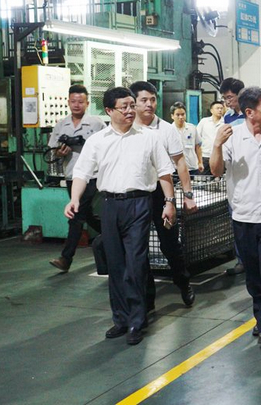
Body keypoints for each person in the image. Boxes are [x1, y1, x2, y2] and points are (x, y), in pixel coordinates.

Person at [65, 86, 176, 346]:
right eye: (123, 107)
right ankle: (121, 319)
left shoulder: (149, 138)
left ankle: (137, 320)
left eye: (131, 105)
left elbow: (164, 172)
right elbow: (82, 172)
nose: (130, 111)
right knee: (115, 265)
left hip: (139, 204)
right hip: (110, 205)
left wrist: (169, 202)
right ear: (109, 111)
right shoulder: (98, 141)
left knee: (135, 263)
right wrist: (74, 198)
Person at [211, 87, 261, 351]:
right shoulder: (232, 136)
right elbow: (216, 170)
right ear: (249, 112)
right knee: (253, 273)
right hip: (244, 214)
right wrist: (216, 144)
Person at [129, 81, 197, 309]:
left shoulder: (166, 130)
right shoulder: (128, 127)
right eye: (144, 100)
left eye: (153, 99)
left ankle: (183, 282)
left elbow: (180, 163)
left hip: (161, 192)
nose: (149, 104)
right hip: (136, 193)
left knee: (169, 245)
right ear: (134, 103)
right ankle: (147, 298)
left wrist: (187, 195)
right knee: (138, 248)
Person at [48, 85, 106, 272]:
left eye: (80, 101)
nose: (76, 105)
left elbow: (107, 148)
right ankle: (113, 236)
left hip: (92, 176)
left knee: (76, 214)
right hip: (72, 175)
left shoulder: (97, 124)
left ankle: (66, 258)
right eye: (73, 101)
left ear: (87, 103)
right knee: (86, 214)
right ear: (68, 102)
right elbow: (53, 150)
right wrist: (60, 152)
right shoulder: (61, 125)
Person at [218, 77, 246, 275]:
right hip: (234, 173)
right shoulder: (227, 117)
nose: (227, 101)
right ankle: (241, 260)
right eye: (225, 98)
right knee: (236, 220)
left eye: (230, 97)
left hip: (251, 172)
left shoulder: (252, 114)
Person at [170, 102, 203, 174]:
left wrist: (200, 162)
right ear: (172, 116)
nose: (181, 117)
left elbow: (198, 146)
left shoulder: (192, 128)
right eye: (178, 115)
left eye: (183, 114)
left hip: (192, 168)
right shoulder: (169, 130)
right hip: (175, 168)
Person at [196, 100, 224, 175]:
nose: (220, 110)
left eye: (221, 108)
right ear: (211, 110)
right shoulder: (204, 121)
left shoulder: (225, 123)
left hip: (220, 157)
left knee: (219, 178)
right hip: (205, 156)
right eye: (217, 108)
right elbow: (197, 137)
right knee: (204, 178)